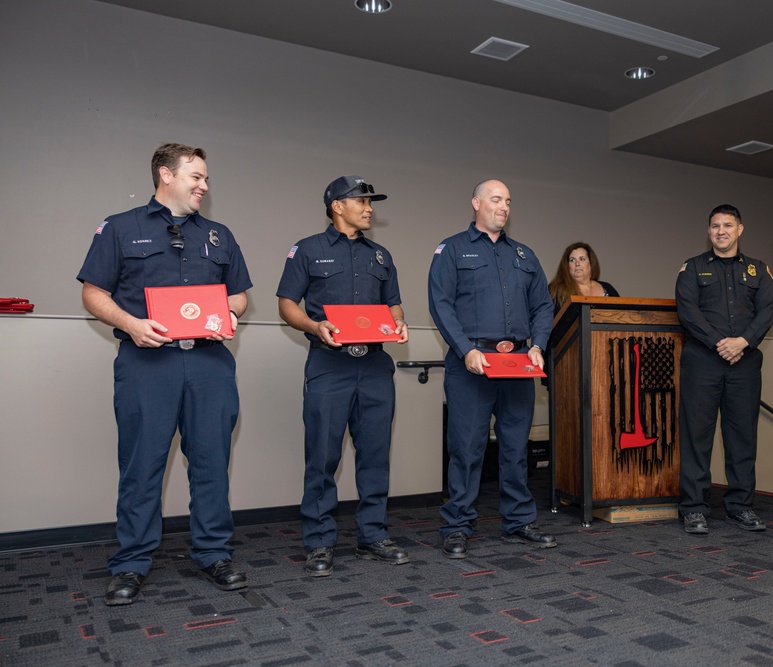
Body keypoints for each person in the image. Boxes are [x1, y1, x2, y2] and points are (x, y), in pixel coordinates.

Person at [77, 143, 253, 605]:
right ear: (165, 175)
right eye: (196, 176)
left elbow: (238, 296)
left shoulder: (220, 235)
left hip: (210, 364)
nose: (204, 186)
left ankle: (214, 553)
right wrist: (130, 323)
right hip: (146, 362)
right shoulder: (120, 227)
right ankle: (132, 562)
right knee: (142, 465)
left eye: (207, 178)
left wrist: (230, 315)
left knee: (212, 462)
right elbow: (94, 293)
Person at [276, 176, 410, 576]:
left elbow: (395, 308)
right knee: (322, 455)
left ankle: (373, 536)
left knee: (375, 455)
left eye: (371, 202)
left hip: (373, 366)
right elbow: (286, 303)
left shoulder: (381, 256)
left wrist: (400, 326)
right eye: (362, 201)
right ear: (337, 205)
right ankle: (319, 542)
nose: (369, 208)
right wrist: (315, 326)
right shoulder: (308, 250)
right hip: (328, 365)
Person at [428, 179, 556, 558]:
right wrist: (464, 348)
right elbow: (440, 303)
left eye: (508, 202)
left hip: (517, 363)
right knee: (467, 449)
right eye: (496, 200)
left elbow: (543, 307)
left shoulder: (524, 255)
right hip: (473, 364)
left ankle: (518, 521)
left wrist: (537, 345)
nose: (504, 207)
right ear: (476, 203)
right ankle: (456, 525)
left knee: (515, 448)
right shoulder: (451, 250)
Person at [675, 204, 773, 535]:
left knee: (742, 438)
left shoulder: (758, 271)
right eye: (715, 226)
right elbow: (688, 311)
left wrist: (743, 343)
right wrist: (722, 342)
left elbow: (766, 311)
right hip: (703, 363)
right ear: (709, 232)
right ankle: (693, 508)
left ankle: (740, 506)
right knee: (697, 437)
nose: (721, 231)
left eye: (728, 225)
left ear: (740, 229)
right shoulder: (692, 269)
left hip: (744, 365)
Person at [548, 242, 620, 311]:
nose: (577, 263)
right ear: (567, 265)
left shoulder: (608, 288)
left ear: (591, 263)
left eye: (582, 259)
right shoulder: (554, 291)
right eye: (572, 260)